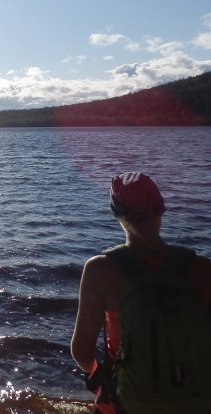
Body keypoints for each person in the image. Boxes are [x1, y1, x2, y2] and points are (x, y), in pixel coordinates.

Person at [71, 171, 211, 414]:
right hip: (195, 399)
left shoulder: (100, 269)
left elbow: (82, 351)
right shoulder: (202, 268)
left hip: (126, 401)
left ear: (117, 215)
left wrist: (97, 378)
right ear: (161, 210)